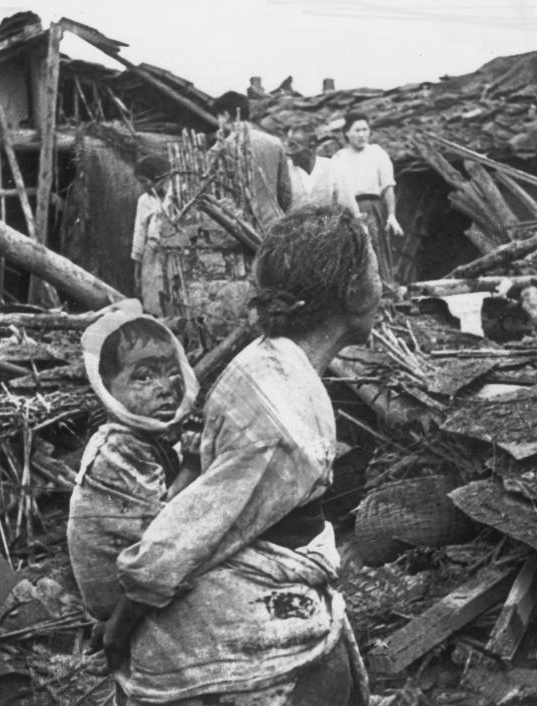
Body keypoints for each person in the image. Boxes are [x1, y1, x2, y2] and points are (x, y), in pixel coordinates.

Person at [105, 206, 379, 705]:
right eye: (377, 268)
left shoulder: (266, 360)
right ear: (355, 291)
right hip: (235, 650)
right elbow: (178, 540)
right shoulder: (284, 420)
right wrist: (119, 628)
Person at [67, 304, 199, 623]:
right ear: (108, 389)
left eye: (171, 372)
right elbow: (164, 529)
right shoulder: (118, 447)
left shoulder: (144, 439)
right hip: (118, 602)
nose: (165, 387)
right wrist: (193, 467)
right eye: (144, 377)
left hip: (132, 586)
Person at [329, 112, 404, 283]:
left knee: (376, 249)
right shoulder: (338, 158)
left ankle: (385, 290)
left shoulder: (377, 153)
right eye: (357, 130)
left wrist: (391, 215)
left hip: (372, 208)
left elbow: (387, 186)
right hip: (348, 210)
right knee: (354, 252)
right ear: (347, 133)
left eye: (365, 130)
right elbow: (335, 191)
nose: (362, 135)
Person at [210, 91, 292, 234]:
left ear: (226, 115)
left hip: (238, 229)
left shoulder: (220, 150)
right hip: (272, 227)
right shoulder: (275, 143)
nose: (218, 122)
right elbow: (286, 192)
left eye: (219, 116)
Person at [130, 155, 170, 316]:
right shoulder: (144, 201)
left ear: (158, 179)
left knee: (171, 296)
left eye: (145, 181)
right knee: (152, 298)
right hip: (151, 257)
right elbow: (139, 234)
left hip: (172, 254)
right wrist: (137, 269)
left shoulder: (174, 196)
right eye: (140, 182)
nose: (143, 187)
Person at [284, 125, 355, 210]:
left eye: (293, 146)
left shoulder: (332, 167)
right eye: (288, 146)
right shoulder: (284, 171)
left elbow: (348, 204)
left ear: (311, 146)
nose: (288, 152)